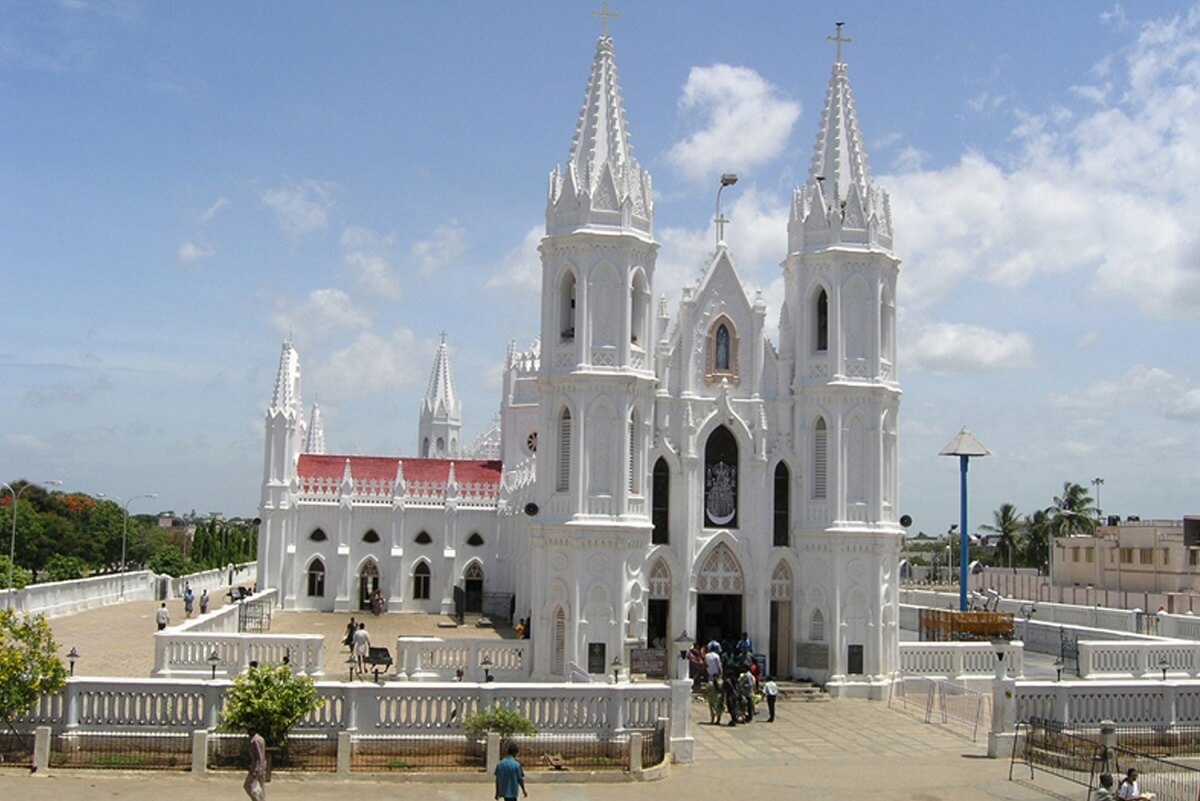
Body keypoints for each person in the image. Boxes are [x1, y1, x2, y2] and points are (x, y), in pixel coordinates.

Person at [244, 727, 267, 801]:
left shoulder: (255, 740)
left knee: (247, 786)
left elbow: (259, 755)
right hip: (262, 766)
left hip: (256, 767)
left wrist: (257, 768)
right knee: (261, 787)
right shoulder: (261, 739)